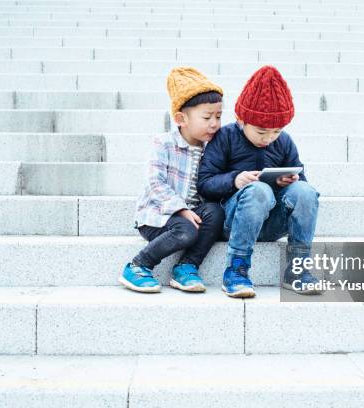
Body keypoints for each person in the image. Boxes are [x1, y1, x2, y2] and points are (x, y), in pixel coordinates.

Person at [197, 65, 322, 298]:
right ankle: (236, 269)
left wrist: (291, 180)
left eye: (276, 131)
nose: (269, 138)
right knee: (258, 190)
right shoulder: (225, 137)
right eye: (262, 132)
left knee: (305, 191)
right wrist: (235, 180)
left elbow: (301, 182)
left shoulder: (283, 141)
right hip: (234, 220)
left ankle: (298, 268)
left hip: (272, 221)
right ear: (241, 120)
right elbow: (204, 183)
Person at [119, 67, 225, 293]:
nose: (214, 123)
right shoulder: (164, 143)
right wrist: (181, 209)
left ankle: (186, 267)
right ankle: (138, 265)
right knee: (186, 229)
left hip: (192, 215)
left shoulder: (213, 147)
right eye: (207, 117)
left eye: (218, 116)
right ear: (180, 118)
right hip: (158, 216)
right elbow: (155, 182)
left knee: (215, 212)